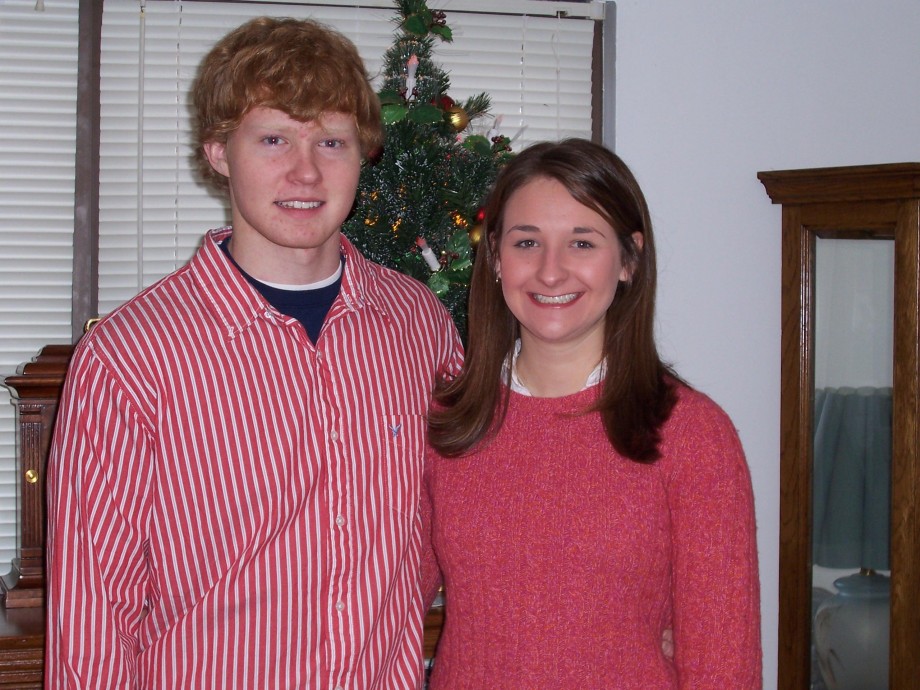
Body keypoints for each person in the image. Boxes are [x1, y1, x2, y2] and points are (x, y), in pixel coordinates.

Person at [45, 17, 462, 689]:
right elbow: (94, 615)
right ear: (217, 150)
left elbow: (460, 521)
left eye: (332, 141)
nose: (305, 170)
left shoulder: (417, 325)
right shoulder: (130, 356)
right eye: (273, 138)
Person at [421, 139, 762, 688]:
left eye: (582, 242)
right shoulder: (445, 424)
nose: (551, 272)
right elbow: (381, 601)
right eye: (527, 241)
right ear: (495, 259)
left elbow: (723, 662)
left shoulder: (692, 434)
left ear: (628, 260)